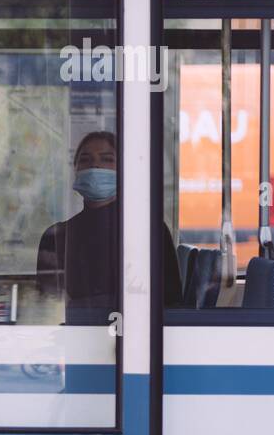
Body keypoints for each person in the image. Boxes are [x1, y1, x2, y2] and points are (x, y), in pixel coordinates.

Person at [36, 130, 181, 315]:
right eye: (86, 159)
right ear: (76, 170)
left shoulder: (149, 231)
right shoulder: (56, 236)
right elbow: (48, 305)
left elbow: (170, 302)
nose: (95, 165)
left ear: (124, 169)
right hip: (71, 338)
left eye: (107, 159)